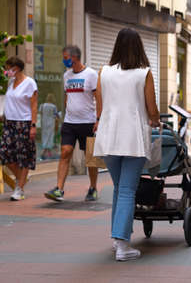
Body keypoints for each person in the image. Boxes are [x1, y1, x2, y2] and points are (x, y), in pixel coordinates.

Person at [94, 28, 160, 261]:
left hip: (109, 136)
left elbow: (100, 108)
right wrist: (157, 119)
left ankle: (117, 238)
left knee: (119, 187)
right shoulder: (144, 73)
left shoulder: (104, 72)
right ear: (139, 47)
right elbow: (152, 110)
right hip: (132, 137)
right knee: (127, 190)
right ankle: (122, 244)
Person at [44, 45, 99, 202]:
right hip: (70, 122)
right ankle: (59, 189)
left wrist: (98, 119)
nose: (64, 60)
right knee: (65, 152)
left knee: (90, 157)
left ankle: (93, 187)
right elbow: (67, 96)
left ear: (75, 57)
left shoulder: (91, 75)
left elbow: (98, 97)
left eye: (66, 57)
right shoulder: (67, 75)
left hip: (88, 122)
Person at [0, 56, 38, 201]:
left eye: (10, 68)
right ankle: (21, 179)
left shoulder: (29, 83)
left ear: (18, 68)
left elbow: (34, 105)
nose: (8, 71)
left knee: (24, 156)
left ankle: (19, 188)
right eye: (7, 68)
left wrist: (33, 125)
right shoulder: (10, 82)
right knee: (5, 153)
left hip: (24, 122)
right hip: (9, 122)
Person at [39, 93, 58, 159]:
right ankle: (48, 152)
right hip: (51, 123)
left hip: (44, 123)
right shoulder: (54, 107)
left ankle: (45, 151)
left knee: (44, 136)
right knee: (50, 136)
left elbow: (40, 114)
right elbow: (56, 116)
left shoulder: (42, 106)